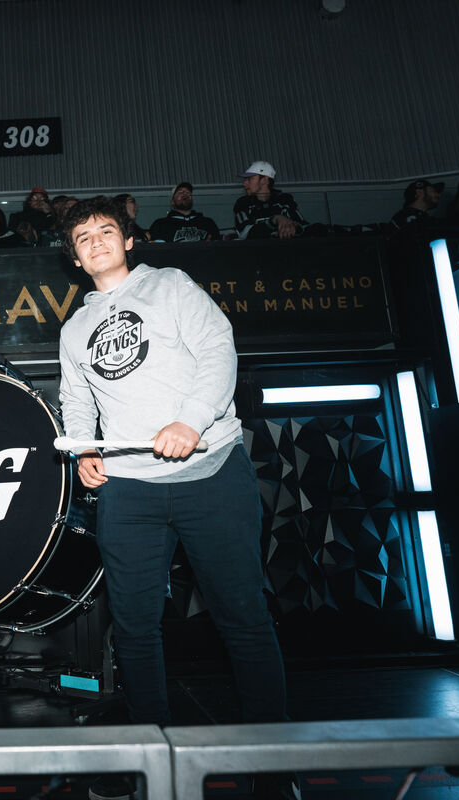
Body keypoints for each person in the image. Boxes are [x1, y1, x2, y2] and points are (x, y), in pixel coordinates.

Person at [58, 195, 292, 799]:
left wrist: (191, 420)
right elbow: (78, 402)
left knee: (243, 619)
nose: (96, 242)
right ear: (76, 258)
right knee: (134, 628)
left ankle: (273, 763)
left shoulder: (170, 285)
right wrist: (87, 451)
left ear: (128, 240)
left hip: (210, 473)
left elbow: (218, 347)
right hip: (130, 490)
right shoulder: (76, 327)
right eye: (83, 238)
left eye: (106, 231)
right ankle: (152, 756)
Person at [233, 162, 308, 239]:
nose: (244, 184)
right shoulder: (243, 203)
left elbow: (303, 227)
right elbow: (244, 233)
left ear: (264, 180)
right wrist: (274, 220)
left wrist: (292, 227)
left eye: (250, 179)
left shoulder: (283, 199)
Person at [148, 182, 220, 243]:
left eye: (188, 192)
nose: (185, 194)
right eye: (180, 192)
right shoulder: (160, 225)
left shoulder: (207, 223)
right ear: (172, 202)